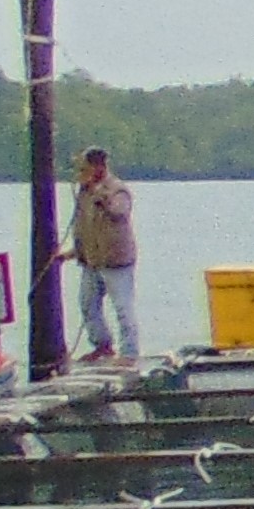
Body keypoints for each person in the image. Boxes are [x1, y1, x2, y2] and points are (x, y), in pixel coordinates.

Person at [63, 150, 139, 363]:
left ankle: (130, 353)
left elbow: (118, 212)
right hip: (92, 261)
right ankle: (102, 345)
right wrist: (74, 252)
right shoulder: (84, 193)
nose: (81, 174)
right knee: (87, 304)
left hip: (116, 262)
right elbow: (83, 226)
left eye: (84, 169)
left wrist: (100, 195)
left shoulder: (117, 190)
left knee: (123, 308)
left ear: (98, 167)